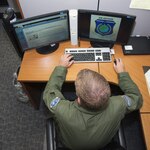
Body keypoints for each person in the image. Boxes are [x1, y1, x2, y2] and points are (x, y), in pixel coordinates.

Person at [43, 54, 143, 150]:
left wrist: (61, 67)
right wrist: (122, 74)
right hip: (103, 144)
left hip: (68, 145)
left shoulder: (62, 110)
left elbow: (49, 92)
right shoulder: (119, 105)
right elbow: (136, 98)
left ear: (78, 98)